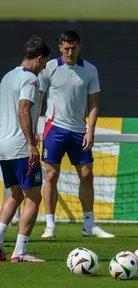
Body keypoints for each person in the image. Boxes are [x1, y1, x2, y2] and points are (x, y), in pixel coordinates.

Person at [39, 30, 114, 238]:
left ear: (79, 47)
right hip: (54, 128)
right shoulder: (50, 68)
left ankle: (89, 225)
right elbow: (39, 97)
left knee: (87, 175)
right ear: (60, 47)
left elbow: (94, 104)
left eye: (73, 48)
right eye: (66, 48)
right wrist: (37, 129)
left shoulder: (90, 70)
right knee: (51, 175)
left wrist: (91, 130)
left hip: (79, 131)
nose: (70, 51)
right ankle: (50, 225)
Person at [0, 36, 51, 262]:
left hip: (3, 145)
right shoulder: (31, 80)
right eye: (44, 64)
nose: (43, 69)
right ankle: (20, 251)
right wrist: (31, 143)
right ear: (39, 59)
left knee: (15, 193)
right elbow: (23, 110)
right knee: (33, 198)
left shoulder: (7, 77)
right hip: (21, 146)